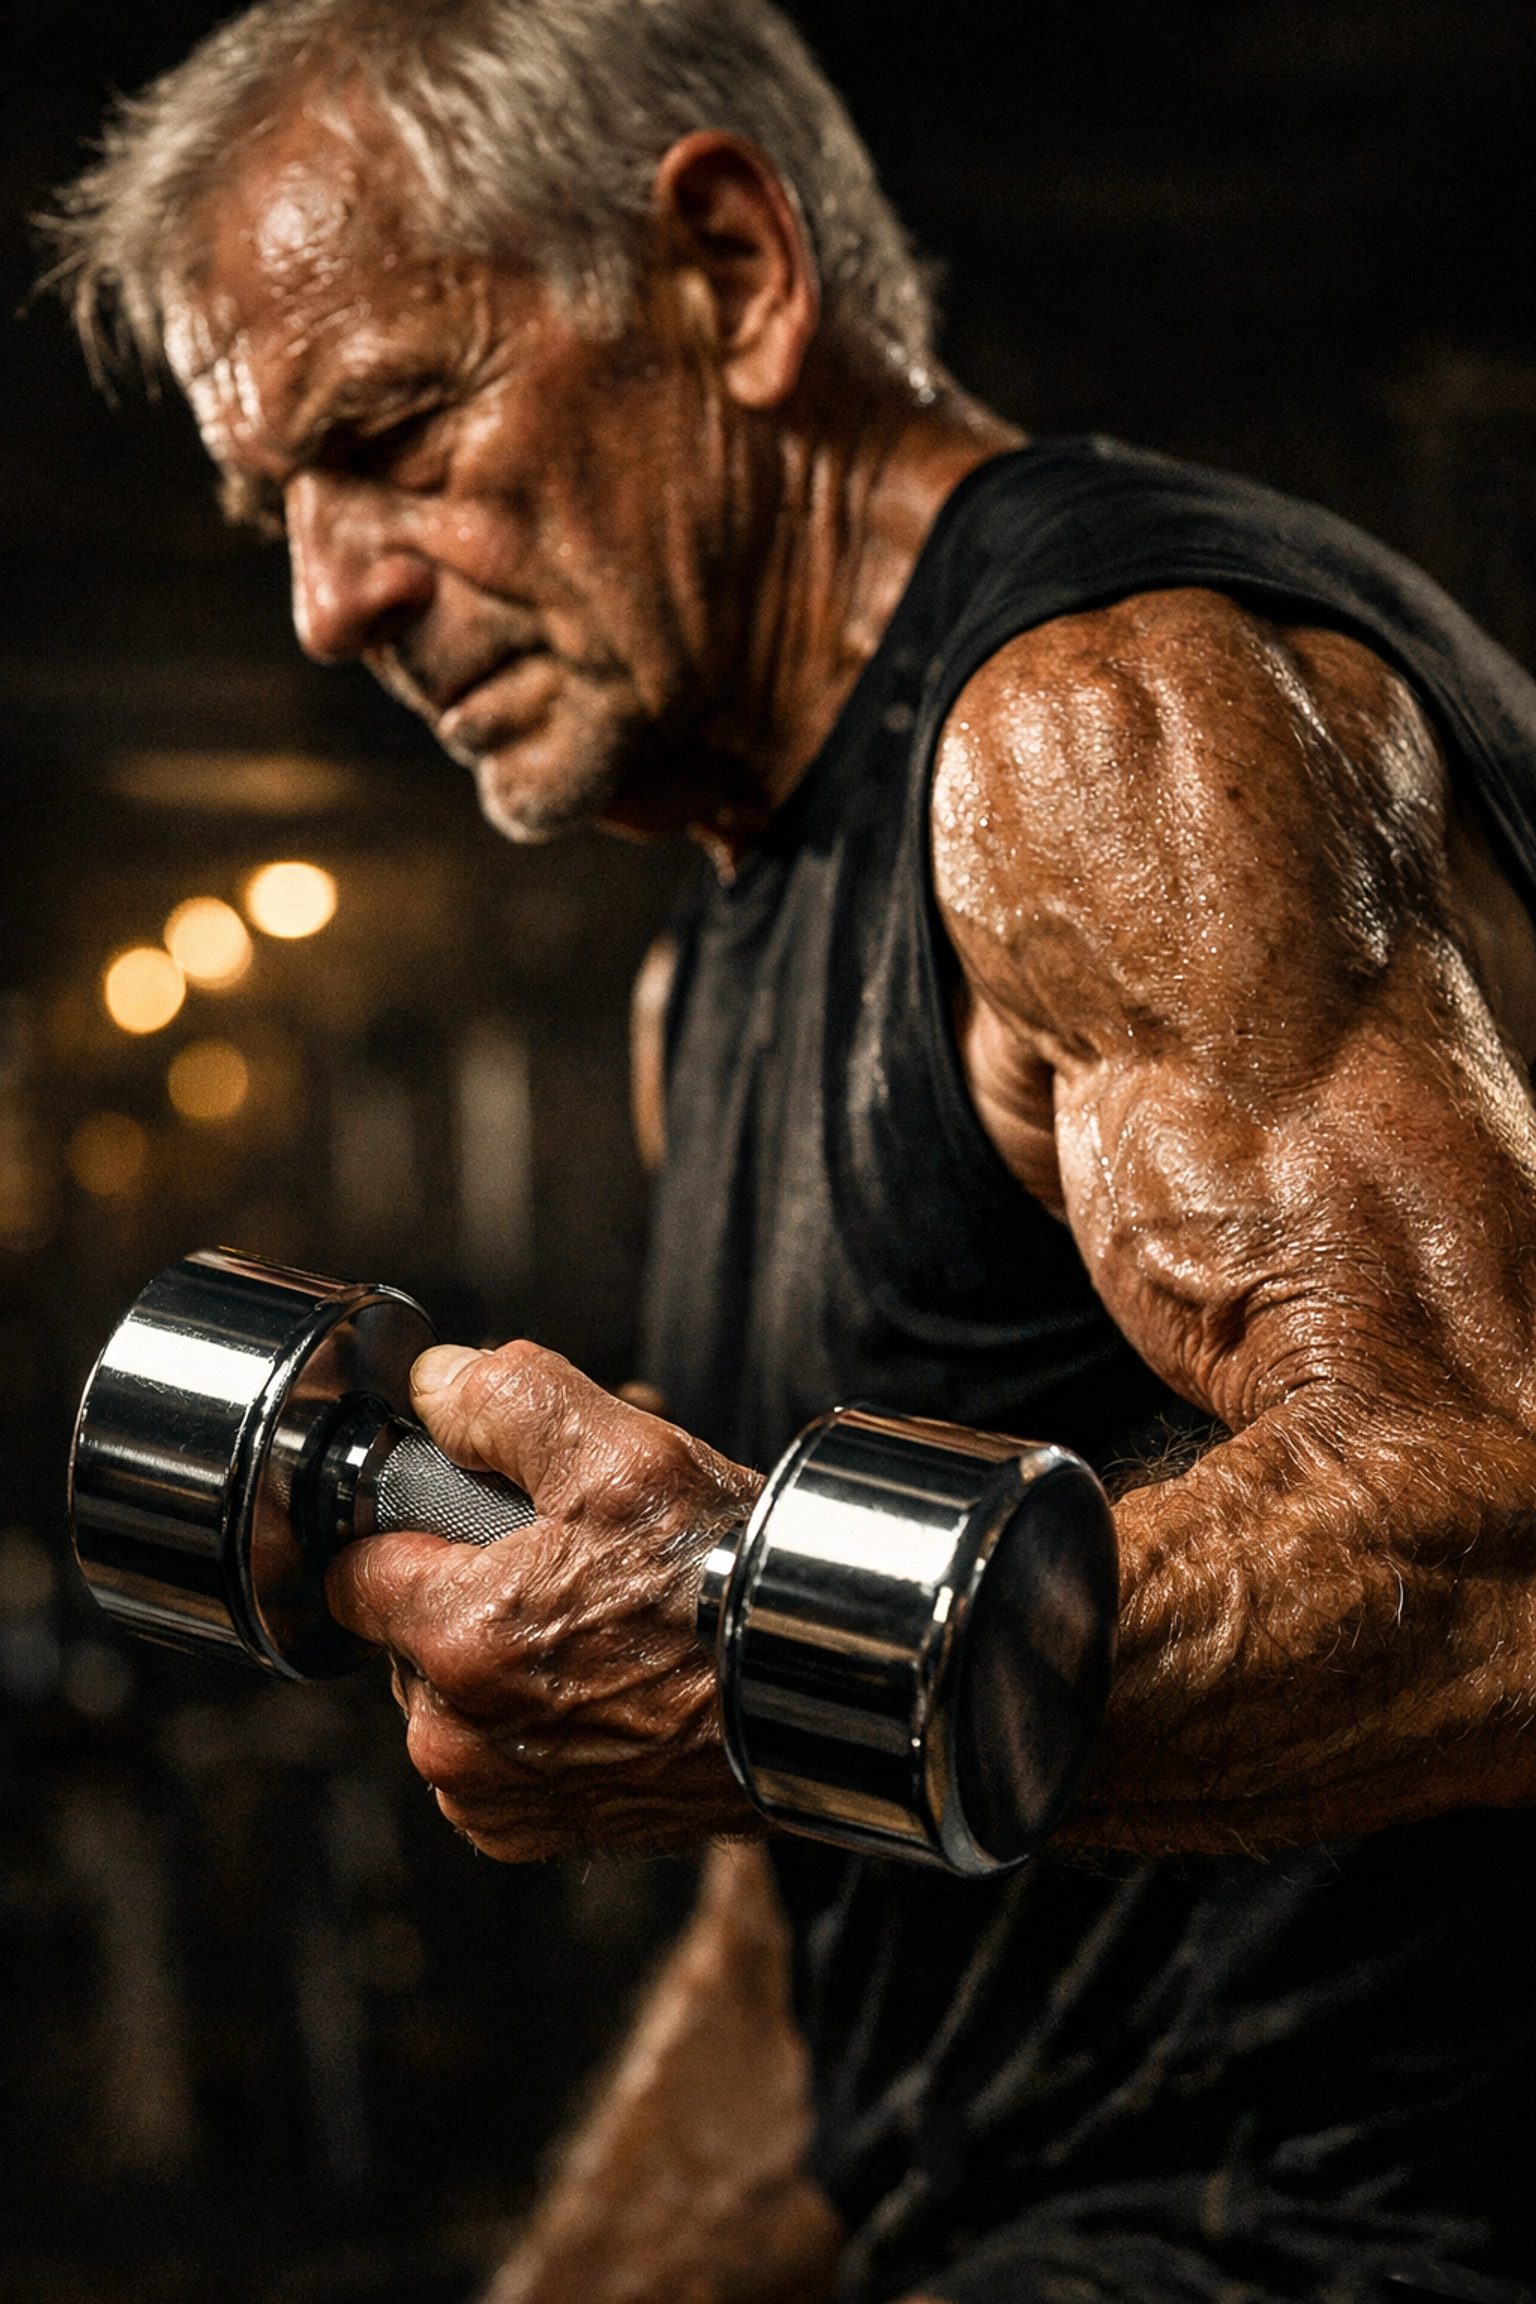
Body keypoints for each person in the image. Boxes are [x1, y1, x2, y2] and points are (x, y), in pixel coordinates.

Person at [47, 3, 1536, 2298]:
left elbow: (1505, 1539)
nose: (329, 601)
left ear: (733, 273)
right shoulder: (717, 968)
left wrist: (747, 1650)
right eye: (281, 513)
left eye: (389, 433)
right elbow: (828, 1950)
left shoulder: (1095, 722)